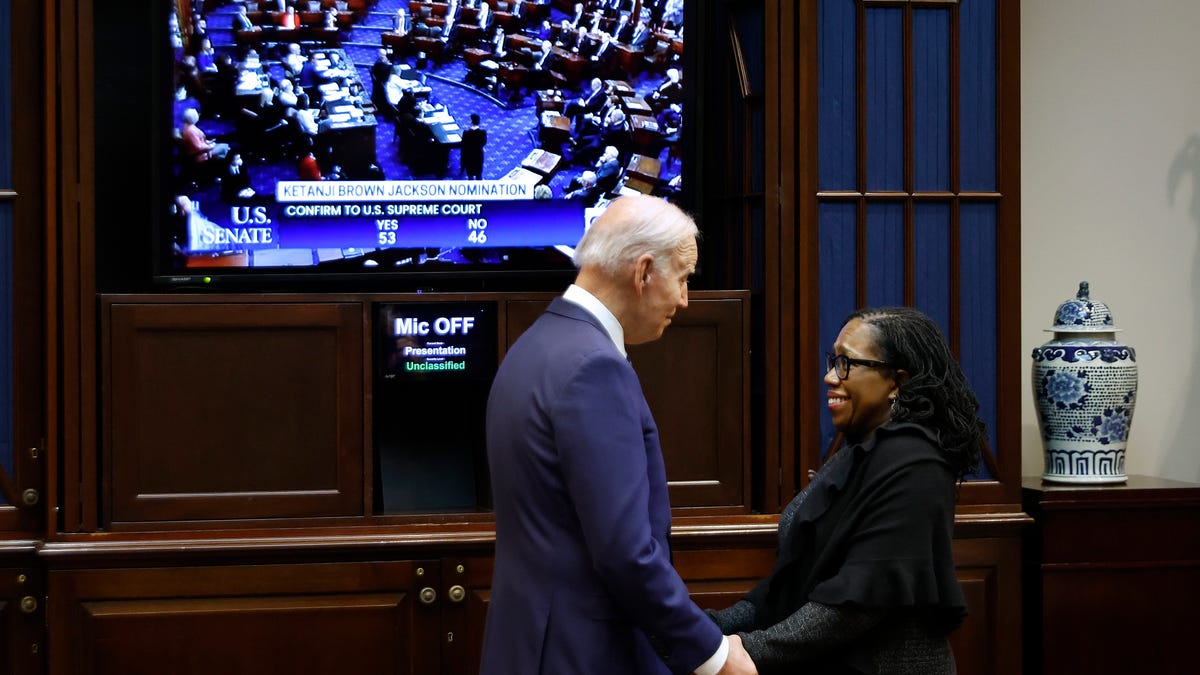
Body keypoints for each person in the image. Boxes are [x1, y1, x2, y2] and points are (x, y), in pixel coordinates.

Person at [481, 195, 758, 675]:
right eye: (684, 278)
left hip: (532, 642)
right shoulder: (594, 367)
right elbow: (627, 553)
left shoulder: (537, 344)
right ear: (644, 271)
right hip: (584, 652)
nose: (685, 300)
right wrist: (714, 656)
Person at [706, 306, 983, 675]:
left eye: (846, 364)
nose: (829, 377)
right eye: (832, 362)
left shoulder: (918, 465)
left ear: (896, 382)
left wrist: (742, 651)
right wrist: (709, 631)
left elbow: (856, 604)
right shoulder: (857, 453)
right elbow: (785, 587)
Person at [461, 113, 487, 180]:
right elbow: (484, 143)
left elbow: (463, 144)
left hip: (469, 155)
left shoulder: (466, 133)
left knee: (470, 175)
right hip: (478, 155)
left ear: (471, 121)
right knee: (479, 174)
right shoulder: (483, 132)